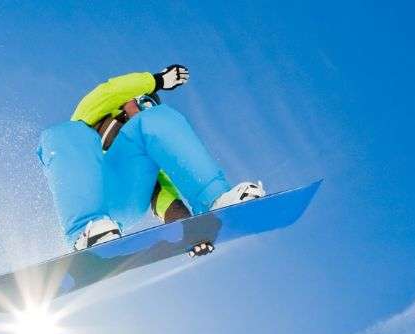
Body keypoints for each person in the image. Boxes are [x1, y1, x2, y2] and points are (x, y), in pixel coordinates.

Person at [37, 64, 265, 250]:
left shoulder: (147, 130)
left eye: (149, 104)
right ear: (126, 101)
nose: (144, 108)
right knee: (63, 134)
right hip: (89, 194)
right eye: (142, 102)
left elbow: (162, 194)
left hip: (124, 199)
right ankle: (87, 230)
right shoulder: (92, 114)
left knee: (158, 120)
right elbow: (110, 91)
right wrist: (157, 81)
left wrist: (193, 230)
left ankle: (216, 201)